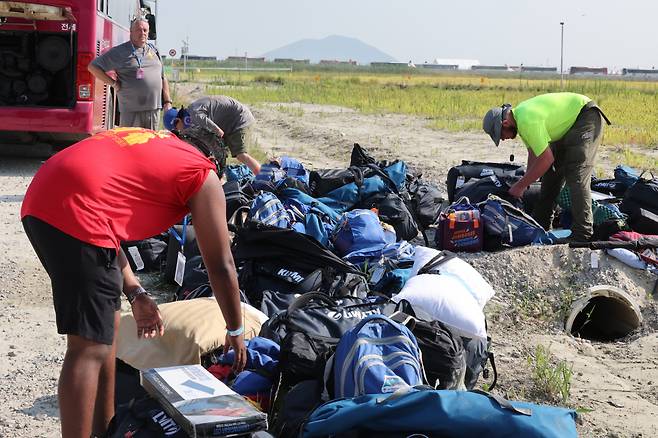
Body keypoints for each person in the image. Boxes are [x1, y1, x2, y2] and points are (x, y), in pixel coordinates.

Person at [21, 127, 246, 438]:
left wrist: (135, 291)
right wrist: (235, 329)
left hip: (44, 196)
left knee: (106, 333)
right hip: (75, 210)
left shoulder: (156, 144)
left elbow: (107, 227)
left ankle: (107, 430)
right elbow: (221, 266)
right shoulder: (201, 171)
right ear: (213, 161)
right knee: (89, 347)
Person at [482, 92, 611, 242]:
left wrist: (520, 186)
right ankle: (540, 224)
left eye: (501, 135)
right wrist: (525, 182)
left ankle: (583, 233)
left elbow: (546, 159)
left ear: (505, 124)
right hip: (566, 127)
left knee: (576, 175)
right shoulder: (520, 119)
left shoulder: (526, 121)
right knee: (551, 175)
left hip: (585, 116)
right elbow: (534, 154)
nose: (503, 139)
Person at [88, 17, 172, 129]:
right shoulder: (120, 52)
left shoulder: (154, 50)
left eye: (145, 30)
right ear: (131, 32)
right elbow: (93, 67)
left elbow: (163, 78)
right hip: (131, 111)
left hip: (153, 110)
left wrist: (167, 102)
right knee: (130, 143)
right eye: (139, 30)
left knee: (149, 144)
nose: (142, 33)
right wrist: (113, 83)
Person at [164, 95, 261, 174]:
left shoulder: (195, 116)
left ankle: (265, 180)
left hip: (239, 119)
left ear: (177, 120)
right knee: (216, 157)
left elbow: (219, 132)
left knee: (241, 156)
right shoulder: (191, 113)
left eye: (176, 129)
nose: (179, 132)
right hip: (229, 121)